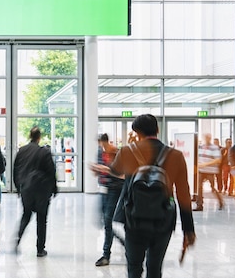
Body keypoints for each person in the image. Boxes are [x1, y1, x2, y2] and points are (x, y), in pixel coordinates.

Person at [110, 114, 195, 278]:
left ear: (136, 132)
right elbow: (184, 194)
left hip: (134, 220)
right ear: (157, 129)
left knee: (134, 268)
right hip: (163, 220)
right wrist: (188, 229)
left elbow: (115, 171)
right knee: (155, 268)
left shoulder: (127, 151)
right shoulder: (176, 156)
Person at [13, 127, 57, 257]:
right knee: (41, 219)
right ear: (39, 137)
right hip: (42, 190)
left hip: (26, 188)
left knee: (26, 215)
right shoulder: (44, 152)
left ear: (30, 136)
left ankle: (18, 238)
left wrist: (18, 188)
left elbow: (16, 170)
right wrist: (54, 188)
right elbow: (51, 171)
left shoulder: (22, 151)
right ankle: (40, 249)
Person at [90, 133, 124, 266]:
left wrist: (107, 169)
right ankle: (122, 242)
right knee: (103, 221)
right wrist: (95, 169)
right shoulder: (99, 153)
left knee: (108, 220)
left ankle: (106, 254)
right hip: (103, 188)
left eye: (102, 143)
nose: (101, 146)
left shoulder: (115, 152)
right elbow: (97, 172)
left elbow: (121, 174)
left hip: (114, 189)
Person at [194, 133, 224, 211]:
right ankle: (199, 205)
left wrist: (205, 164)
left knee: (213, 187)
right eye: (205, 137)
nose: (207, 139)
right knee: (199, 187)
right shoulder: (200, 146)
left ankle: (220, 201)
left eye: (208, 137)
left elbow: (218, 160)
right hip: (201, 170)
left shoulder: (214, 148)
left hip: (210, 171)